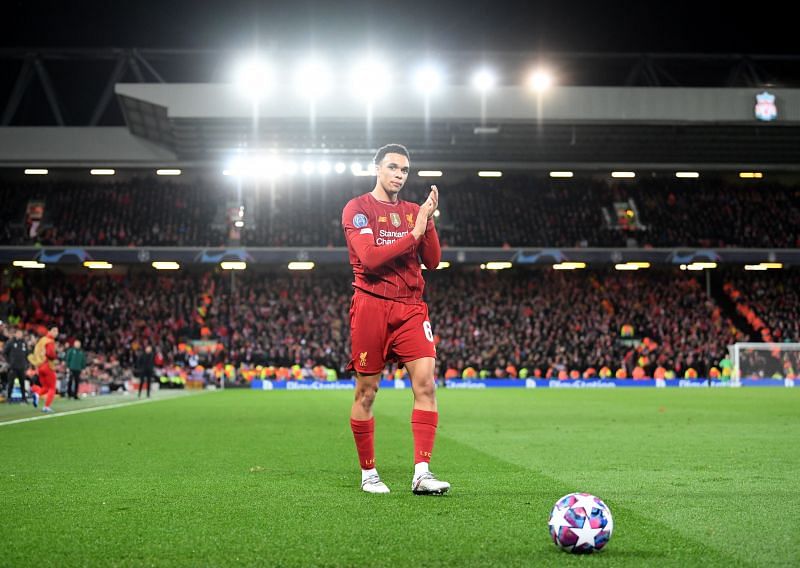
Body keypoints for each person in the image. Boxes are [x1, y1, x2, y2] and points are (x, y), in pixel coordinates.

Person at [341, 143, 449, 495]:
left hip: (411, 308)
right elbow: (370, 259)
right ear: (377, 168)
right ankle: (369, 474)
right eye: (393, 168)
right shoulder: (358, 209)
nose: (399, 175)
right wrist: (415, 232)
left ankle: (422, 472)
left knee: (427, 384)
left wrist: (427, 223)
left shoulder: (414, 212)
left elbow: (431, 261)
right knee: (367, 392)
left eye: (404, 170)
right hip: (371, 305)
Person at [29, 327, 59, 413]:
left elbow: (35, 352)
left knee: (45, 387)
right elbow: (50, 354)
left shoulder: (42, 340)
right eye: (54, 330)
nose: (56, 333)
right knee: (52, 388)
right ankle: (46, 407)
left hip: (40, 366)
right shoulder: (50, 340)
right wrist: (54, 357)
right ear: (49, 331)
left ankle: (36, 394)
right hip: (48, 366)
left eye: (57, 331)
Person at [3, 328, 30, 403]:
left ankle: (24, 398)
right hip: (13, 367)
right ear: (15, 334)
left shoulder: (24, 343)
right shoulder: (10, 342)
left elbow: (27, 354)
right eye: (18, 333)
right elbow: (4, 352)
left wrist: (26, 363)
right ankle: (9, 398)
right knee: (11, 383)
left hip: (22, 366)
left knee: (22, 383)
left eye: (21, 333)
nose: (20, 335)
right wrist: (9, 361)